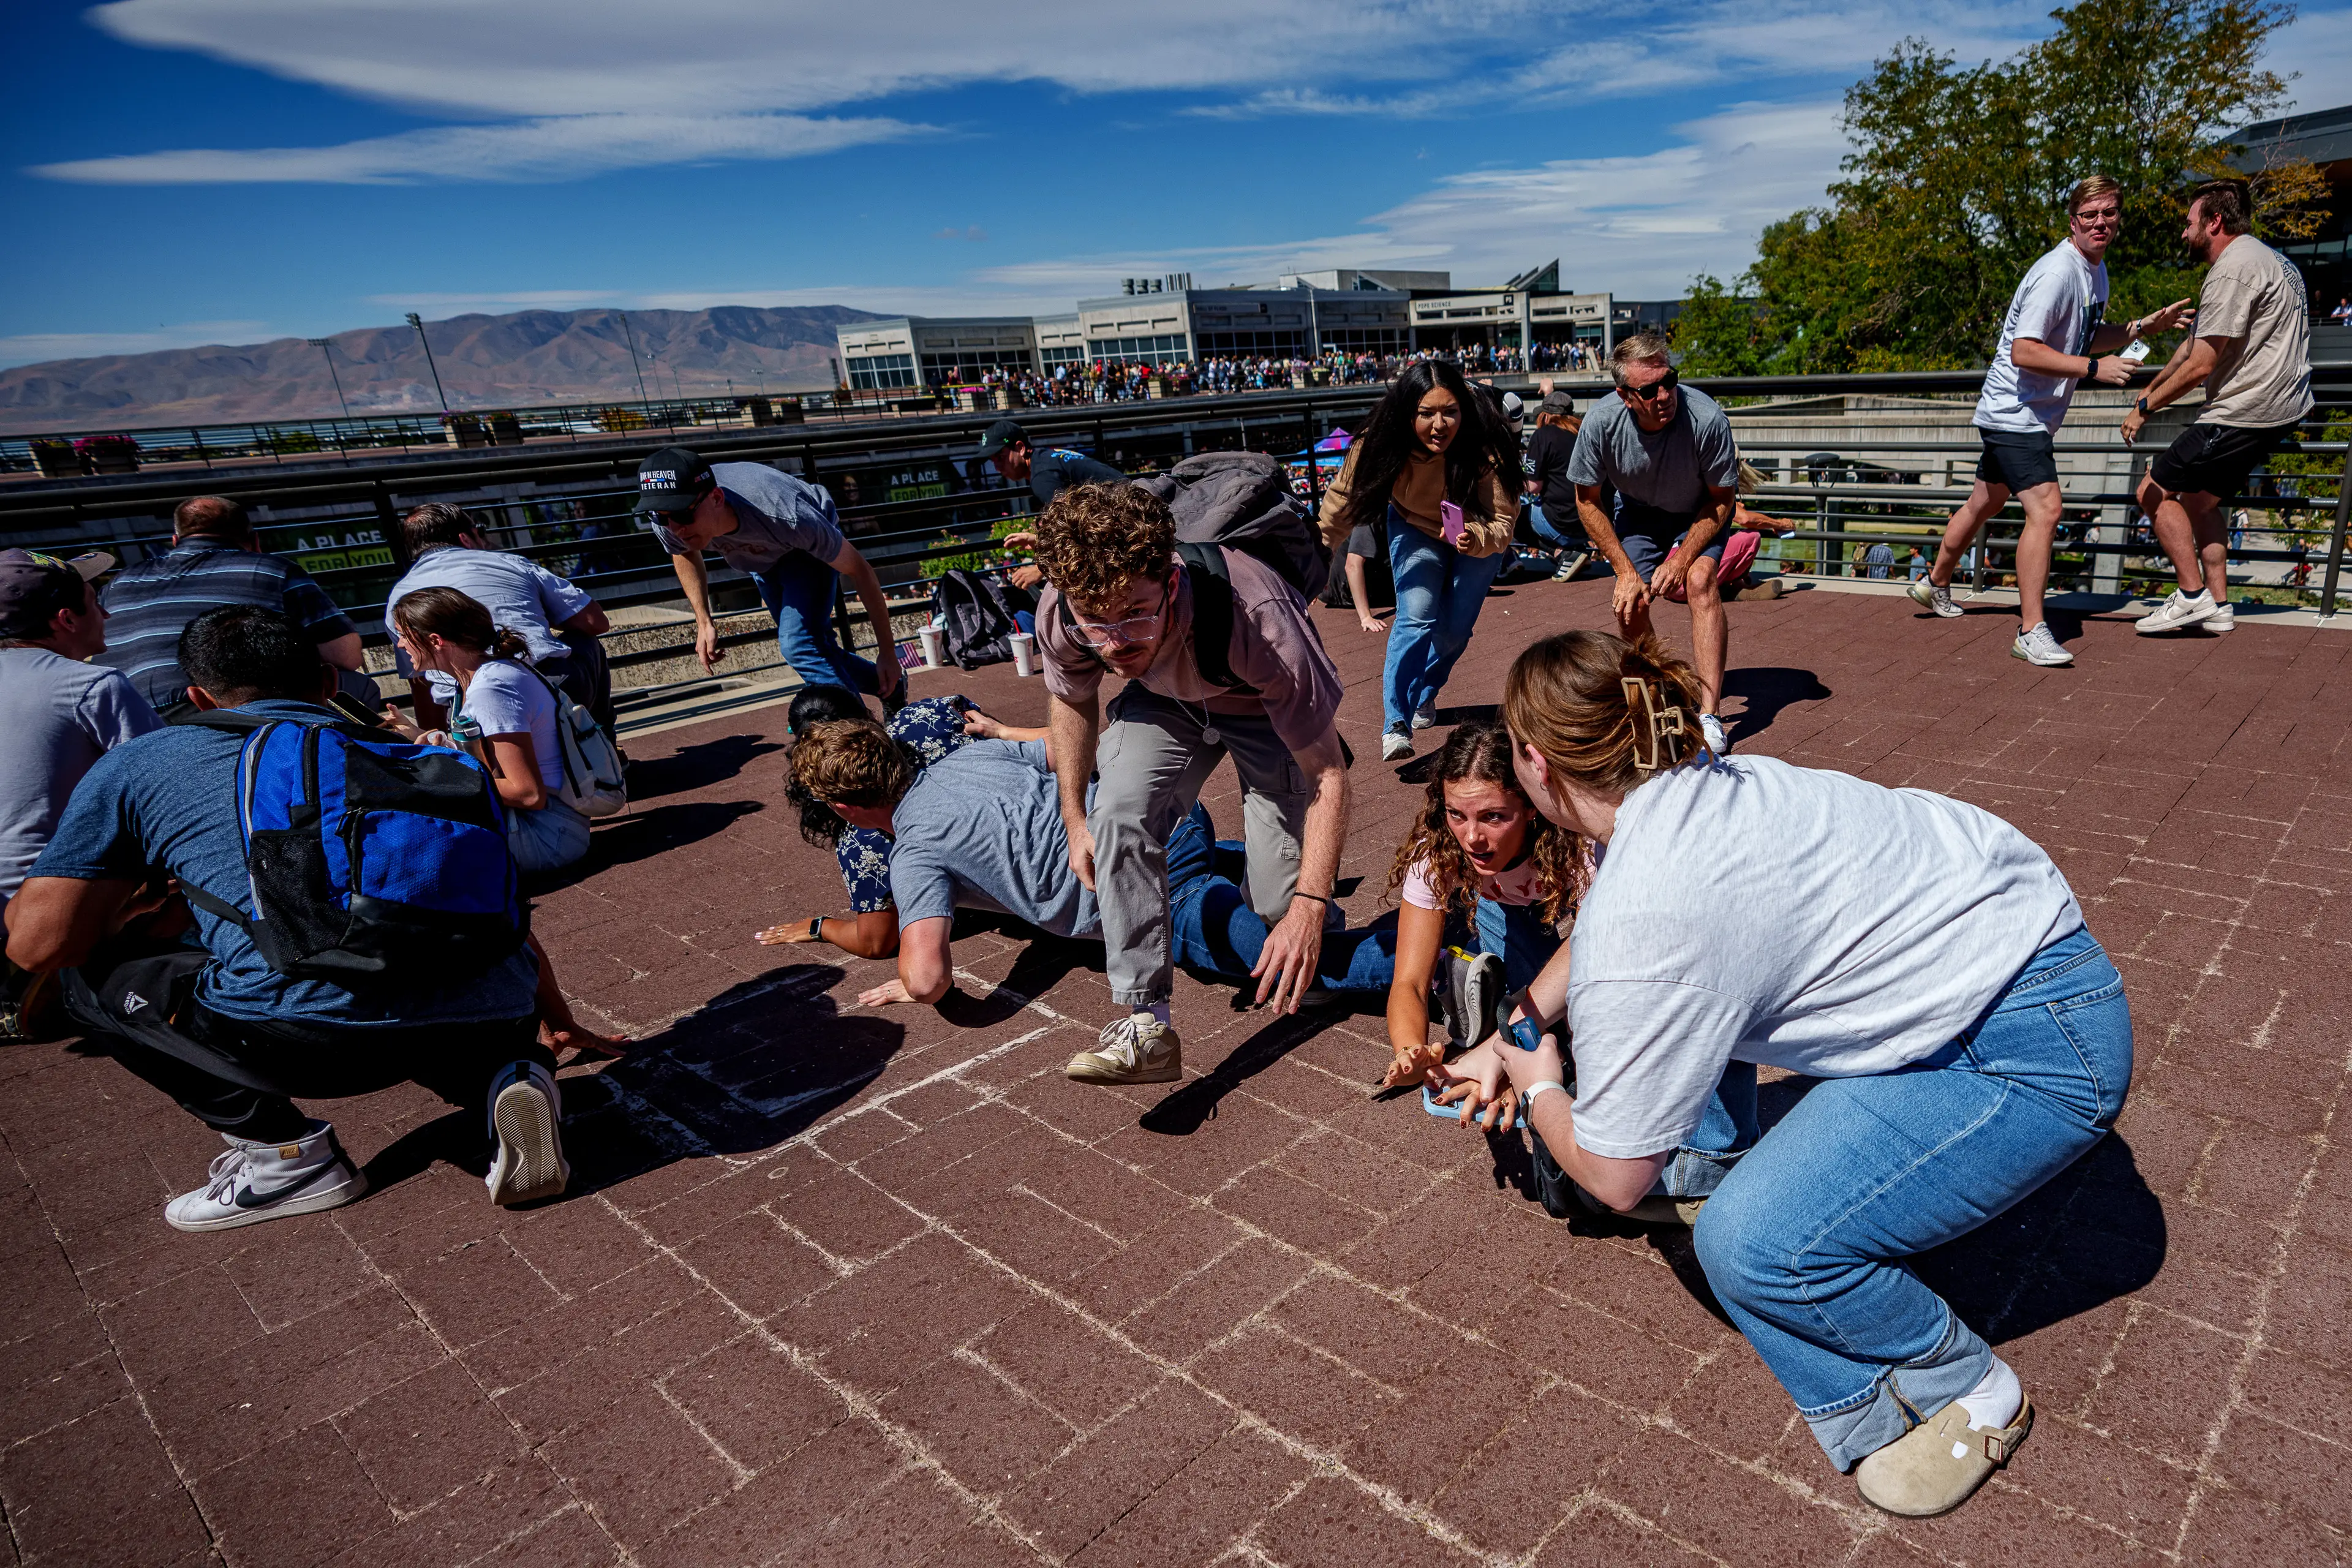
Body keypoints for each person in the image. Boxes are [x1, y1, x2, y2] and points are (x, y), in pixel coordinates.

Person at [1450, 628, 2125, 1517]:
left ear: (1534, 764)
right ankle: (1723, 1168)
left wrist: (1539, 1081)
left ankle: (1965, 1386)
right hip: (2019, 957)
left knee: (1752, 1245)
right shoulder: (1688, 772)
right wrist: (1520, 1021)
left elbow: (1614, 1178)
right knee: (1706, 1021)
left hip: (2033, 1056)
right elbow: (1632, 933)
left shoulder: (1651, 913)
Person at [4, 605, 564, 1229]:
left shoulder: (147, 762)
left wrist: (139, 907)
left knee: (84, 976)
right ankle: (507, 1073)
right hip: (497, 1010)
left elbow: (37, 947)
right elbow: (508, 902)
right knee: (415, 956)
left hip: (311, 1044)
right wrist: (554, 1021)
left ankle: (287, 1157)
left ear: (200, 696)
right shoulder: (414, 754)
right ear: (327, 685)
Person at [1034, 483, 1349, 1084]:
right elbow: (1071, 701)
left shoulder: (1261, 618)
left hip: (1259, 707)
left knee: (1282, 912)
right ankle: (1147, 1026)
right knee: (1118, 816)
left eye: (1135, 614)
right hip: (1166, 702)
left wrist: (1309, 904)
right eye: (1094, 622)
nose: (1115, 641)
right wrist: (1075, 816)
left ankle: (1303, 917)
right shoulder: (1065, 609)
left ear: (1171, 584)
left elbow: (1329, 775)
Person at [1386, 724, 1759, 1213]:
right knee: (1526, 1010)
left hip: (1612, 916)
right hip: (1511, 906)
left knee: (1588, 1004)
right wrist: (1413, 1054)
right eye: (1457, 814)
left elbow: (1595, 953)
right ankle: (1486, 994)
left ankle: (1706, 1156)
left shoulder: (1580, 842)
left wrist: (1510, 1047)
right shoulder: (1440, 848)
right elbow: (1409, 982)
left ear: (1531, 806)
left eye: (1494, 817)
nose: (1471, 836)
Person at [780, 723, 1393, 1012]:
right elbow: (1077, 745)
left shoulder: (910, 854)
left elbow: (927, 977)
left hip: (1157, 885)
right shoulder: (973, 755)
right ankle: (1258, 868)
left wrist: (915, 986)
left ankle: (1425, 963)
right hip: (1176, 816)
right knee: (1228, 877)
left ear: (845, 808)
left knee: (1284, 968)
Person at [1908, 177, 2192, 665]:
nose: (2101, 223)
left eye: (2109, 214)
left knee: (1984, 500)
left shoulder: (2094, 272)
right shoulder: (2058, 273)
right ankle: (2032, 630)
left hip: (2021, 414)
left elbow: (2085, 333)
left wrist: (2143, 327)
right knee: (2047, 510)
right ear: (2072, 221)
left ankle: (1934, 584)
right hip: (2017, 413)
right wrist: (2093, 370)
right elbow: (2025, 349)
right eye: (2090, 215)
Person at [2122, 178, 2315, 638]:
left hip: (2245, 409)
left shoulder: (2231, 269)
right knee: (2200, 501)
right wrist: (2151, 386)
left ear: (2215, 222)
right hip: (2280, 407)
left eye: (2190, 224)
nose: (2184, 233)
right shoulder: (2271, 259)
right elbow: (2192, 347)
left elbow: (2201, 367)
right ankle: (2220, 605)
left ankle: (2191, 597)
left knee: (2151, 490)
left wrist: (2145, 408)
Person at [1317, 360, 1520, 760]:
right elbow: (1340, 505)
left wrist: (1473, 536)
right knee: (1417, 616)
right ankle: (1396, 721)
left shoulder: (1484, 440)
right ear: (1407, 412)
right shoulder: (1381, 441)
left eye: (1450, 412)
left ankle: (1425, 693)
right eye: (1426, 413)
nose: (1439, 425)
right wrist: (1310, 561)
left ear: (1464, 409)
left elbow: (1503, 521)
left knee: (1453, 631)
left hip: (1475, 531)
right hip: (1413, 525)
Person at [0, 549, 163, 1040]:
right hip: (51, 904)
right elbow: (161, 791)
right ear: (66, 619)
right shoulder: (90, 685)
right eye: (96, 602)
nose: (107, 614)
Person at [756, 682, 1045, 959]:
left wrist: (821, 927)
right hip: (1053, 813)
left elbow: (876, 943)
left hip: (1038, 888)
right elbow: (1042, 744)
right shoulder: (934, 713)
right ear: (868, 717)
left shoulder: (863, 836)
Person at [1566, 334, 1742, 753]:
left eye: (1670, 381)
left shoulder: (1706, 419)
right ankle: (1660, 693)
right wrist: (1626, 572)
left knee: (1700, 581)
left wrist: (1681, 560)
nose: (1664, 395)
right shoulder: (1600, 423)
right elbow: (1586, 502)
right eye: (1649, 390)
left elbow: (1723, 499)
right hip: (1640, 514)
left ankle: (1710, 713)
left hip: (1701, 510)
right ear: (1626, 396)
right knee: (1630, 602)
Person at [635, 447, 904, 709]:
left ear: (716, 499)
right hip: (761, 559)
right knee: (817, 650)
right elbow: (683, 553)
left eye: (683, 514)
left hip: (803, 548)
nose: (675, 529)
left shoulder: (786, 514)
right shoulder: (669, 521)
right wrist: (703, 620)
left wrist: (888, 654)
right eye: (659, 516)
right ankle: (890, 688)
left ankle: (857, 740)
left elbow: (861, 570)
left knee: (799, 646)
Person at [97, 495, 369, 718]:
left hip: (122, 714)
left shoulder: (119, 583)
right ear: (255, 541)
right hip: (222, 709)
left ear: (175, 541)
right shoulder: (272, 570)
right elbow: (346, 656)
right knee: (358, 685)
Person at [380, 587, 591, 874]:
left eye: (403, 635)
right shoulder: (484, 674)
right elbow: (485, 760)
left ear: (435, 640)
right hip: (541, 822)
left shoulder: (492, 689)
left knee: (404, 822)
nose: (401, 645)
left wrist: (436, 769)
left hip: (548, 834)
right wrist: (420, 736)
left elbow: (527, 793)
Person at [384, 503, 614, 737]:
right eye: (480, 531)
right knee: (585, 643)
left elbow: (421, 682)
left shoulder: (399, 598)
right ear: (465, 538)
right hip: (547, 686)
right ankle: (603, 747)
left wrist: (439, 746)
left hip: (462, 705)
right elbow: (595, 623)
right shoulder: (510, 563)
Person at [973, 420, 1125, 510]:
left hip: (1129, 510)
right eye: (993, 461)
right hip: (1132, 501)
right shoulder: (1045, 458)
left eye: (1001, 457)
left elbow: (1069, 523)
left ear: (1020, 448)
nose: (997, 467)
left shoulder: (1042, 477)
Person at [1523, 388, 1591, 580]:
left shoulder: (1543, 435)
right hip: (1589, 524)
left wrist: (1508, 483)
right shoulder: (1584, 433)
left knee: (1516, 518)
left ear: (1545, 416)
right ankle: (1577, 553)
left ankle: (1563, 555)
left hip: (1561, 522)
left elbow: (1533, 487)